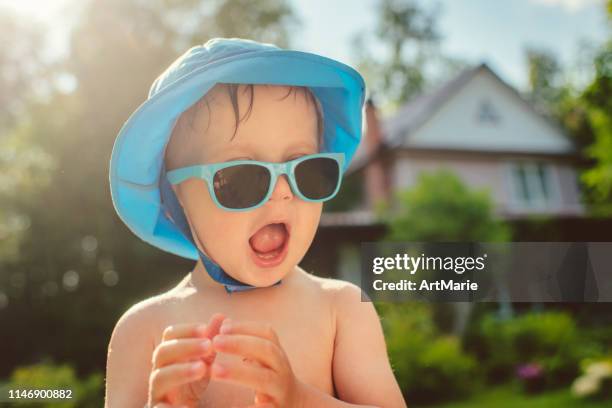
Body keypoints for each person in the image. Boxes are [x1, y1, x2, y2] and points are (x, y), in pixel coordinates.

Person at [105, 37, 406, 408]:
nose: (282, 192)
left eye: (308, 170)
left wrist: (301, 400)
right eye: (242, 178)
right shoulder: (144, 331)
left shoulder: (341, 309)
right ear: (177, 198)